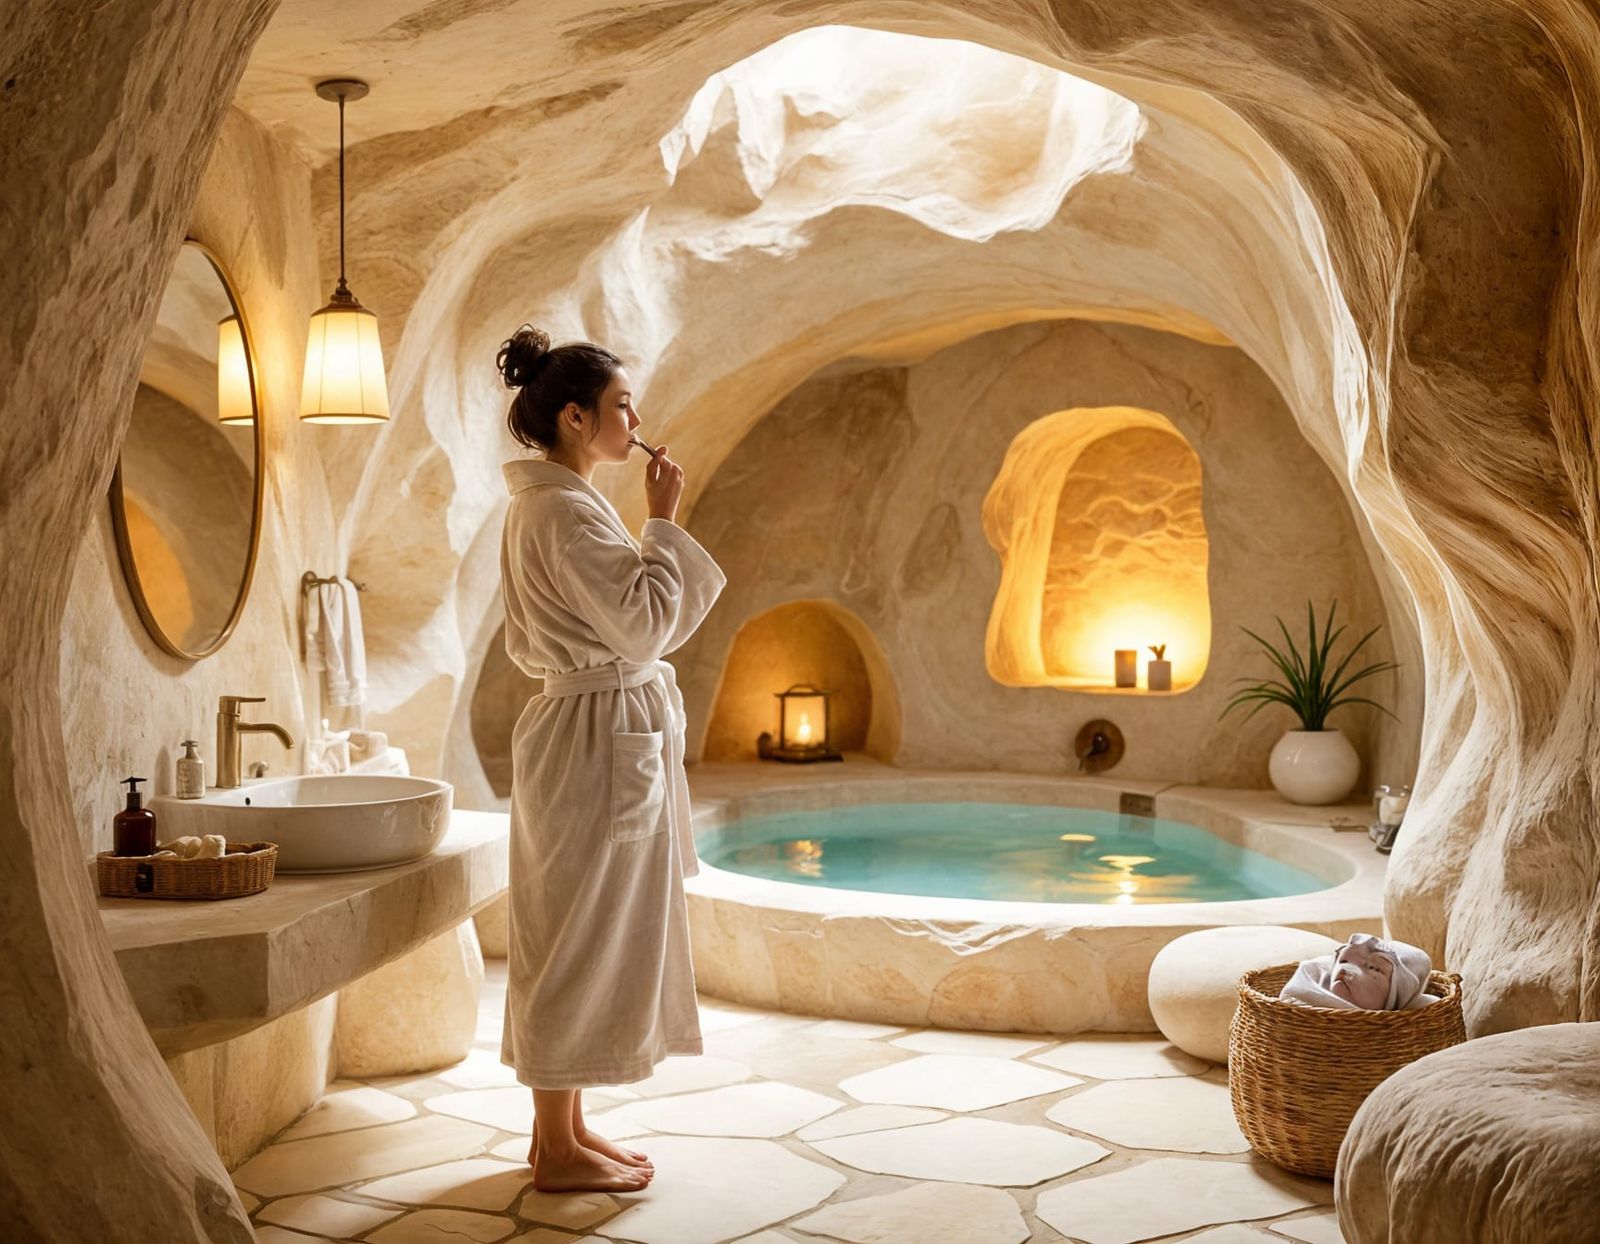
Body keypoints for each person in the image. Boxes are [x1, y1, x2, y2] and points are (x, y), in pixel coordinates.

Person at [494, 325, 726, 1193]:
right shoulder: (560, 509)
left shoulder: (556, 503)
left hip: (595, 729)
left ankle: (566, 1130)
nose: (636, 419)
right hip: (595, 736)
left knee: (577, 931)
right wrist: (663, 520)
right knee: (575, 937)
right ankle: (556, 1149)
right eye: (622, 405)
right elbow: (640, 625)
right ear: (575, 418)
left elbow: (624, 624)